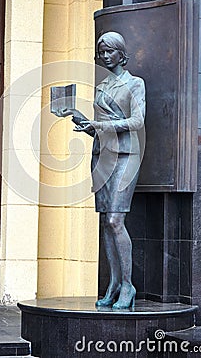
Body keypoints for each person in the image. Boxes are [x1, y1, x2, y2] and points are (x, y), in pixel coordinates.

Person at [56, 31, 145, 309]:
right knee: (105, 222)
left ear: (121, 53)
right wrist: (84, 122)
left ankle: (128, 286)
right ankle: (114, 284)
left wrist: (101, 125)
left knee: (115, 220)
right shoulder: (102, 85)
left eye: (109, 52)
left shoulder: (135, 84)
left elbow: (137, 120)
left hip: (126, 155)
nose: (105, 56)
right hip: (102, 156)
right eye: (101, 52)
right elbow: (101, 128)